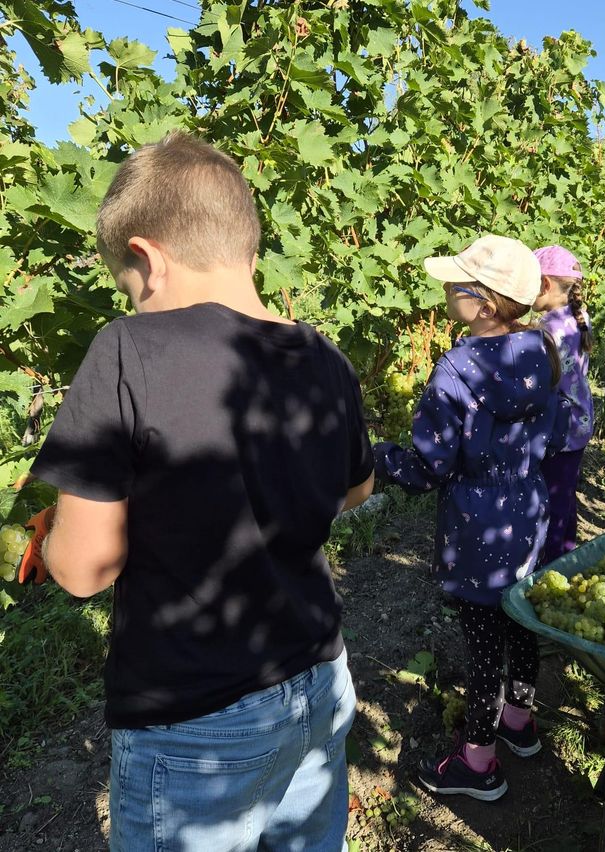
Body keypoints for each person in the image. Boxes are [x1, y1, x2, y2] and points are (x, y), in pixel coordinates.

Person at [24, 132, 374, 851]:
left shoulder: (127, 350)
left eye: (126, 286)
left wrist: (58, 529)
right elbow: (357, 488)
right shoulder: (325, 356)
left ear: (147, 260)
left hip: (198, 718)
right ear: (246, 244)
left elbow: (84, 570)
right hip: (319, 679)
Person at [373, 234, 572, 801]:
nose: (445, 290)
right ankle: (519, 724)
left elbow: (429, 467)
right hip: (529, 514)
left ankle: (478, 763)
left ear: (483, 303)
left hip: (477, 525)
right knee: (522, 625)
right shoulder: (542, 351)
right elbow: (556, 435)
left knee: (484, 648)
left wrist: (379, 459)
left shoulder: (457, 369)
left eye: (455, 285)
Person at [532, 245, 594, 561]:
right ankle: (566, 554)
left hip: (560, 428)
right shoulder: (577, 316)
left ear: (544, 284)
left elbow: (541, 381)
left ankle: (551, 565)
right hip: (580, 422)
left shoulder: (547, 329)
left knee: (552, 500)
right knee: (565, 495)